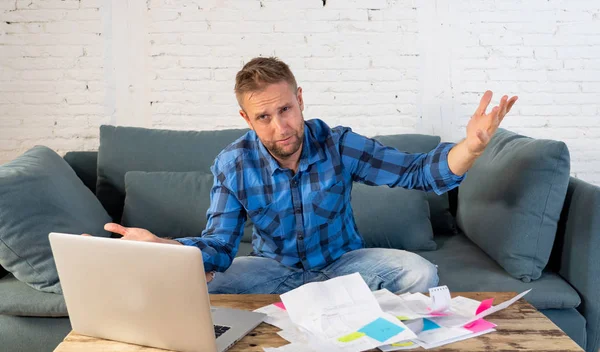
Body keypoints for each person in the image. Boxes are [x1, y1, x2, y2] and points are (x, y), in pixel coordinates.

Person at [101, 57, 518, 295]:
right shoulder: (233, 164)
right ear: (246, 118)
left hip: (342, 265)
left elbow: (415, 173)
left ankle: (373, 344)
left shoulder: (337, 144)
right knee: (196, 287)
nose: (280, 126)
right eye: (263, 117)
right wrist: (166, 247)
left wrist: (470, 149)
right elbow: (219, 246)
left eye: (285, 110)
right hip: (271, 269)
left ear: (299, 100)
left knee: (421, 273)